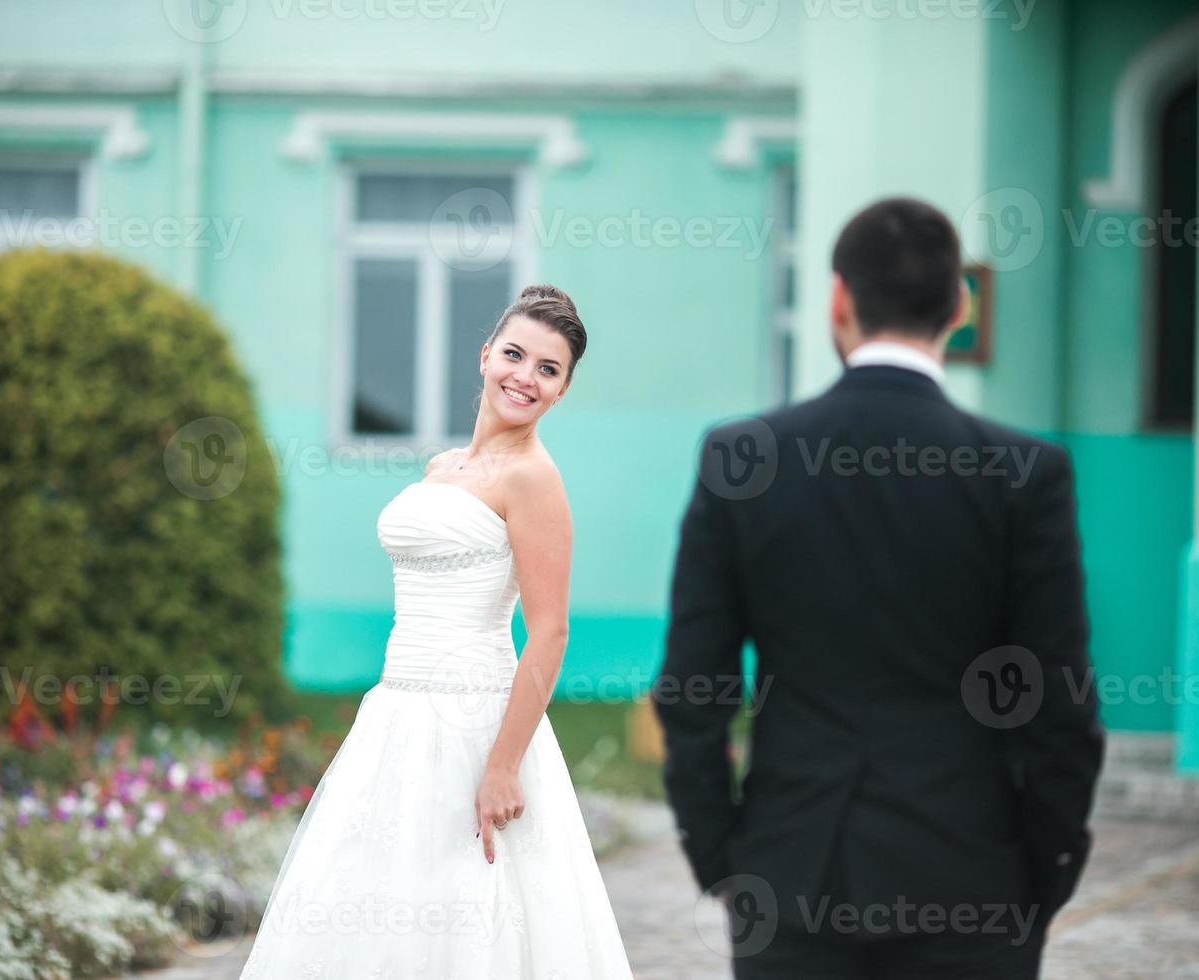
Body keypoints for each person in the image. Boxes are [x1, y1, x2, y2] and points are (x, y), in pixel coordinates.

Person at [654, 197, 1106, 978]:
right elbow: (1059, 702)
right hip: (973, 877)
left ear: (837, 300)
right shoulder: (1024, 472)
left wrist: (723, 859)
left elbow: (693, 689)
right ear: (958, 305)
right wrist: (1042, 871)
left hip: (790, 876)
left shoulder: (743, 459)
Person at [240, 285, 634, 978]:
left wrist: (504, 765)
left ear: (562, 391)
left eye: (549, 369)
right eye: (515, 354)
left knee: (468, 912)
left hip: (476, 724)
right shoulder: (441, 467)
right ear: (485, 357)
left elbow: (549, 634)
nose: (526, 376)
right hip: (395, 713)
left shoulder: (533, 480)